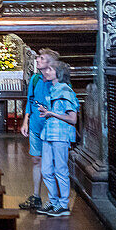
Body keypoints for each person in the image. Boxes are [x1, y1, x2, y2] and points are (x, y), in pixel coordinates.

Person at [37, 60, 78, 217]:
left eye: (50, 70)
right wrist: (47, 111)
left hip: (60, 134)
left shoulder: (65, 90)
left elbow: (73, 118)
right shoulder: (53, 89)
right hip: (48, 133)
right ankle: (53, 201)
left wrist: (51, 113)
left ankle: (63, 204)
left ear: (59, 73)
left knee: (60, 169)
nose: (46, 72)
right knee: (46, 170)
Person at [19, 48, 59, 210]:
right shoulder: (35, 79)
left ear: (50, 63)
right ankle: (36, 196)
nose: (37, 60)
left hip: (51, 127)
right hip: (35, 125)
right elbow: (30, 101)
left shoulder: (58, 80)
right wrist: (25, 121)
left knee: (52, 164)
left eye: (41, 58)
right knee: (37, 160)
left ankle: (54, 199)